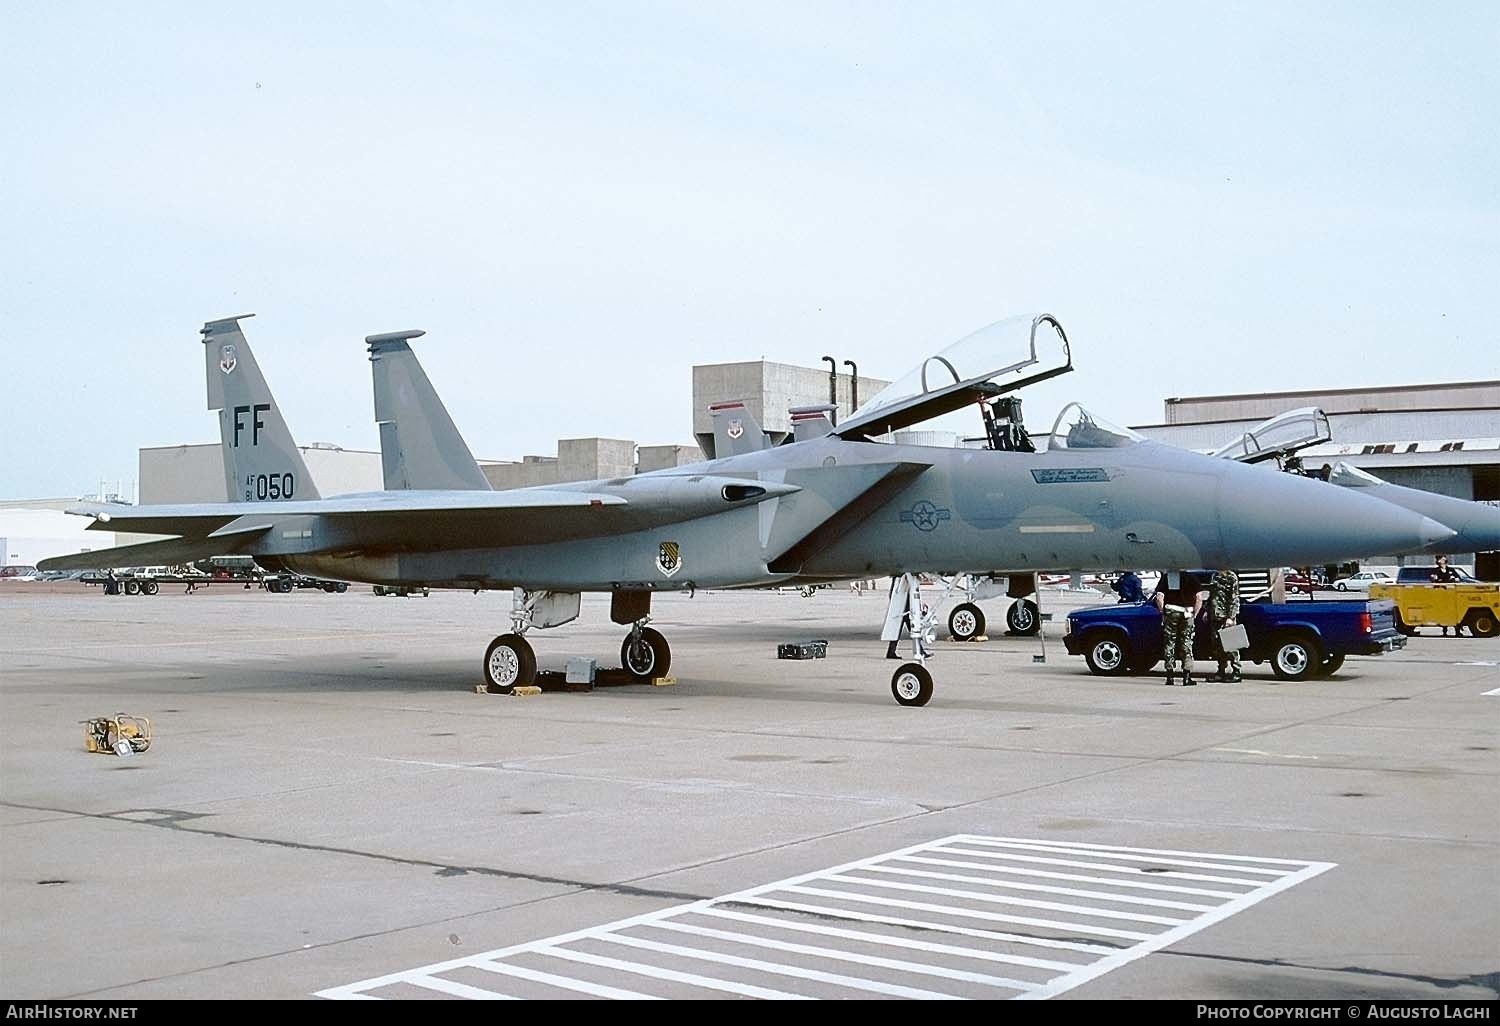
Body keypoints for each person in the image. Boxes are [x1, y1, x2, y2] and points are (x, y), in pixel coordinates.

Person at [1152, 570, 1204, 686]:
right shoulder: (1192, 577)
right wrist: (1194, 615)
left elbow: (1159, 597)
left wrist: (1163, 612)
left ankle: (1170, 676)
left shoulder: (1167, 577)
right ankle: (1187, 676)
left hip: (1171, 611)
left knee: (1170, 642)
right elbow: (1199, 598)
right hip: (1187, 612)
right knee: (1186, 643)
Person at [1206, 568, 1241, 682]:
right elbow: (1212, 595)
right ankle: (1221, 671)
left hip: (1226, 616)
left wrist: (1231, 617)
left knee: (1231, 645)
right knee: (1216, 645)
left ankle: (1236, 671)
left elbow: (1234, 598)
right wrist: (1207, 610)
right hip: (1215, 615)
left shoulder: (1231, 577)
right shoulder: (1214, 575)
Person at [1431, 556, 1464, 635]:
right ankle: (1444, 630)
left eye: (1443, 558)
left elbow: (1458, 578)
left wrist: (1455, 579)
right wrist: (1438, 580)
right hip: (1441, 594)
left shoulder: (1451, 570)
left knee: (1455, 612)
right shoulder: (1435, 570)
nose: (1442, 560)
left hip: (1452, 594)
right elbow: (1434, 580)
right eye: (1440, 559)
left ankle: (1457, 630)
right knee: (1444, 611)